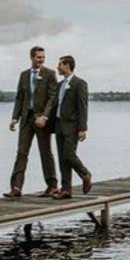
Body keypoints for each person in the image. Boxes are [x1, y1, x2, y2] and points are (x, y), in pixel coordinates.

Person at [4, 46, 59, 198]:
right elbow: (19, 98)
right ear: (32, 58)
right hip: (26, 119)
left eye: (43, 57)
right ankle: (16, 188)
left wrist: (45, 116)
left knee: (45, 152)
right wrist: (15, 118)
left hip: (42, 120)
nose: (41, 60)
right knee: (21, 153)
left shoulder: (50, 74)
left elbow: (52, 98)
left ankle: (52, 185)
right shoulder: (23, 75)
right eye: (38, 57)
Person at [49, 55, 92, 199]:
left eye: (60, 64)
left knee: (69, 154)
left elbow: (83, 107)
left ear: (67, 66)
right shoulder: (60, 84)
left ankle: (85, 174)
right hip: (59, 125)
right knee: (62, 158)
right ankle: (66, 190)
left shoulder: (79, 83)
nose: (58, 67)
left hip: (72, 127)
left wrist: (82, 129)